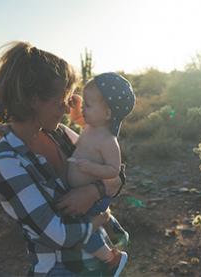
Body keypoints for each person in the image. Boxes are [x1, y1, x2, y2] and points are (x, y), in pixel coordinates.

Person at [0, 41, 128, 276]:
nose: (65, 109)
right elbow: (56, 233)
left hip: (98, 265)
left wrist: (94, 192)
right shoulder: (8, 161)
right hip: (62, 269)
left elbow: (117, 174)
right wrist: (97, 220)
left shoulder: (59, 134)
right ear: (33, 99)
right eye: (60, 101)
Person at [67, 72, 135, 271]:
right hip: (86, 193)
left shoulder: (108, 141)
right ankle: (114, 227)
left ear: (107, 114)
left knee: (85, 231)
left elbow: (114, 170)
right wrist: (77, 103)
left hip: (93, 198)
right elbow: (77, 117)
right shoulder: (90, 126)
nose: (83, 110)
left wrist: (91, 168)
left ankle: (110, 259)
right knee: (96, 220)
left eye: (88, 105)